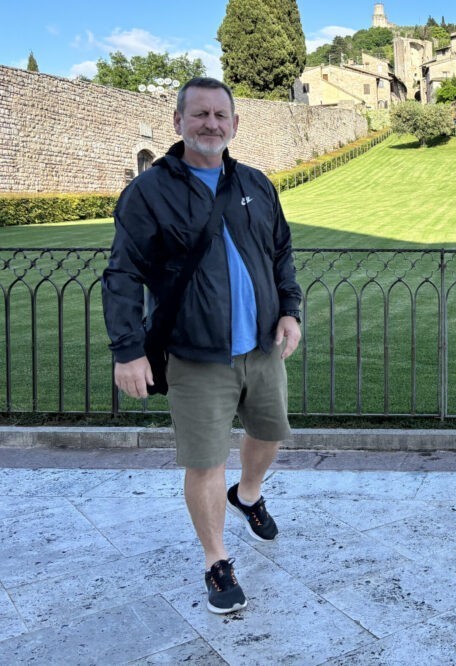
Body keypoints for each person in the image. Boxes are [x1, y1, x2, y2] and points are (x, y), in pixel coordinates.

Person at [103, 77, 302, 614]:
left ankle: (250, 494)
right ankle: (217, 561)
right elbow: (122, 274)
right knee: (205, 462)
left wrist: (290, 310)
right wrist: (128, 349)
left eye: (221, 115)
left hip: (261, 347)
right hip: (194, 354)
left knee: (269, 433)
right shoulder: (149, 191)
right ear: (178, 122)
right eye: (200, 114)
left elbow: (281, 253)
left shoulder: (257, 185)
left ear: (235, 125)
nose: (211, 124)